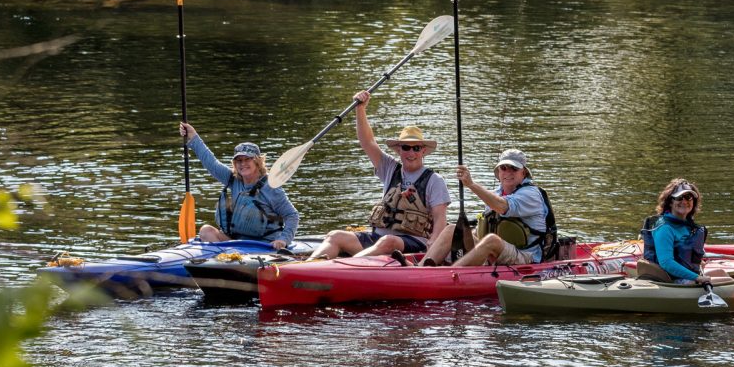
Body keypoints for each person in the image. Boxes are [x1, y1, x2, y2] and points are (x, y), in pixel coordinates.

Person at [307, 91, 451, 260]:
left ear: (423, 151)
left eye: (416, 148)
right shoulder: (390, 168)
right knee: (335, 236)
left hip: (413, 243)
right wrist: (360, 109)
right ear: (398, 149)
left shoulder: (434, 181)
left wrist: (433, 242)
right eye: (405, 147)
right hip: (378, 240)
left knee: (388, 241)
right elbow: (367, 142)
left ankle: (346, 266)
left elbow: (440, 218)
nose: (411, 152)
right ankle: (308, 266)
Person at [419, 149, 553, 267]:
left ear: (523, 173)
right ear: (498, 171)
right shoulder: (495, 194)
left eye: (514, 168)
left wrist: (471, 184)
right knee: (452, 230)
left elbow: (502, 206)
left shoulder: (531, 194)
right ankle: (420, 268)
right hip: (496, 253)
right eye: (504, 168)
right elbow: (484, 227)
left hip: (525, 256)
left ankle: (451, 273)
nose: (508, 172)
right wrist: (463, 237)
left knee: (491, 240)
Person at [178, 123, 299, 249]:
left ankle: (228, 260)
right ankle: (225, 260)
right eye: (239, 160)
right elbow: (211, 163)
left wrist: (283, 240)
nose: (243, 164)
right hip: (237, 243)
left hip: (264, 246)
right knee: (205, 231)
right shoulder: (233, 179)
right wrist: (193, 136)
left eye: (247, 159)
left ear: (257, 161)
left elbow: (292, 215)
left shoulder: (271, 187)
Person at [637, 178, 713, 285]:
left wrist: (697, 263)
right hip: (670, 280)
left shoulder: (687, 225)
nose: (684, 201)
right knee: (725, 281)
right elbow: (666, 263)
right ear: (670, 202)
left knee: (720, 272)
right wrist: (697, 277)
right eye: (679, 197)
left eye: (688, 197)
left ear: (693, 202)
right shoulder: (664, 228)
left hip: (684, 276)